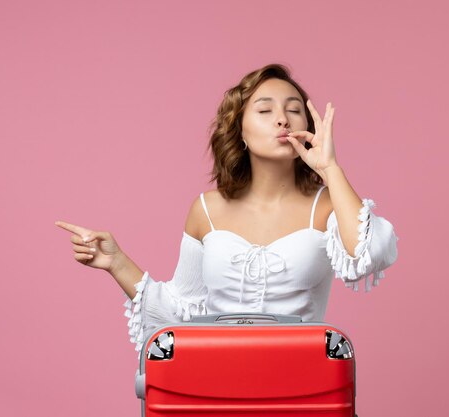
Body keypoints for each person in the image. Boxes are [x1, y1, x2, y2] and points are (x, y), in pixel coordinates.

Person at [56, 64, 399, 352]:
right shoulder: (206, 209)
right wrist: (116, 262)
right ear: (241, 132)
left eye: (294, 110)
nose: (283, 119)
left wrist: (330, 169)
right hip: (218, 384)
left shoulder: (326, 205)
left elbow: (370, 254)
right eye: (265, 110)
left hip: (302, 384)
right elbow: (178, 317)